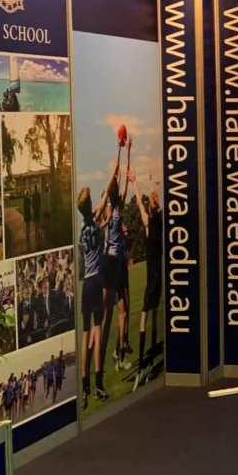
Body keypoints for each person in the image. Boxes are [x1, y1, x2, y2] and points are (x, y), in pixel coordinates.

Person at [78, 183, 111, 408]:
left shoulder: (83, 231)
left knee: (85, 337)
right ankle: (99, 384)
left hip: (86, 284)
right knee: (97, 334)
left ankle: (85, 389)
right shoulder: (95, 218)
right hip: (97, 280)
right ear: (91, 207)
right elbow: (107, 190)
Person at [102, 138, 133, 372]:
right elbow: (120, 181)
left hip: (114, 262)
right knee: (122, 313)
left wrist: (121, 149)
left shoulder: (109, 210)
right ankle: (118, 354)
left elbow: (117, 178)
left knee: (124, 311)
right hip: (114, 263)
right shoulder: (117, 209)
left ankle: (118, 351)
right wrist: (125, 150)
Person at [134, 179, 163, 390]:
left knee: (144, 316)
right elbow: (152, 204)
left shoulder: (148, 224)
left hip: (151, 278)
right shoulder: (159, 221)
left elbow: (139, 203)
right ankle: (151, 356)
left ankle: (141, 364)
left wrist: (136, 184)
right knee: (153, 314)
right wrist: (152, 185)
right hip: (158, 276)